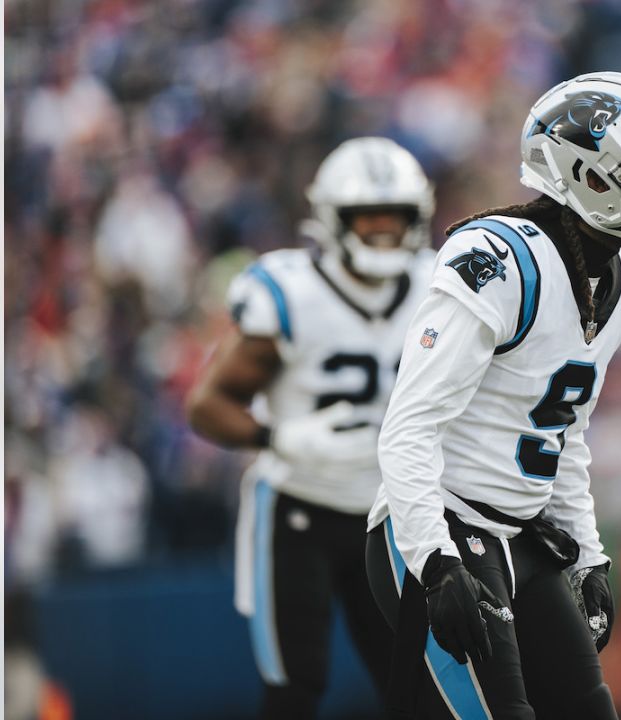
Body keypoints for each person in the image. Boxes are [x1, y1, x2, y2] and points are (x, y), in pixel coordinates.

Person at [363, 71, 621, 719]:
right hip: (441, 527)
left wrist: (589, 553)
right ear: (592, 178)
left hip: (524, 532)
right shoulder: (498, 259)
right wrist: (434, 563)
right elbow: (408, 426)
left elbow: (563, 428)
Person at [186, 137, 437, 719]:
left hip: (394, 513)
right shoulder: (290, 293)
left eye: (393, 219)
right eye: (365, 218)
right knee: (295, 689)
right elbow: (207, 404)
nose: (380, 232)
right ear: (331, 220)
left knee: (417, 688)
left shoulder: (440, 286)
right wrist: (279, 439)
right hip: (300, 508)